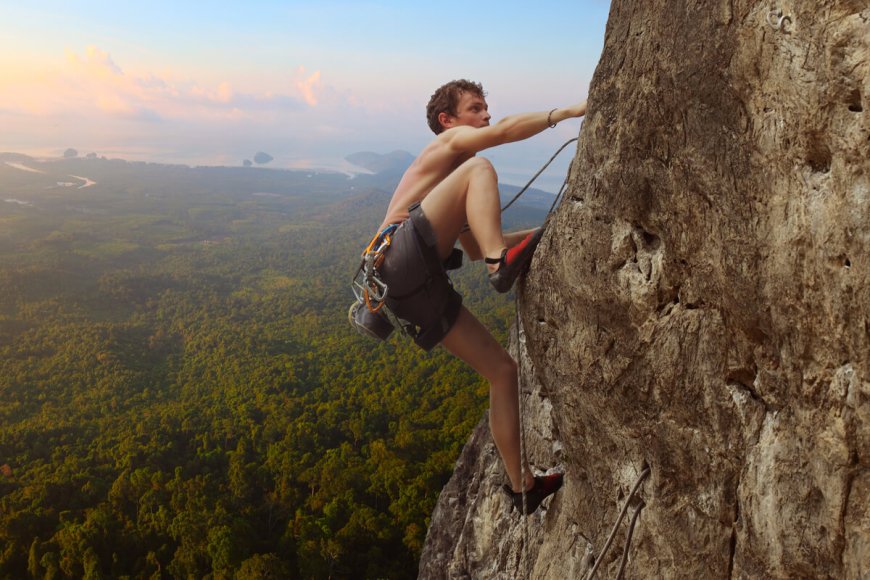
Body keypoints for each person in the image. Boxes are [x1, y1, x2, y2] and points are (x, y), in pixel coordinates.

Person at [373, 79, 587, 514]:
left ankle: (521, 485)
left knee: (502, 372)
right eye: (476, 108)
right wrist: (565, 113)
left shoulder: (452, 188)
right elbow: (505, 132)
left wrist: (553, 228)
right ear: (447, 121)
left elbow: (475, 248)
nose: (486, 115)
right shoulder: (450, 147)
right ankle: (502, 263)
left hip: (407, 288)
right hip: (398, 256)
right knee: (482, 167)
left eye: (487, 108)